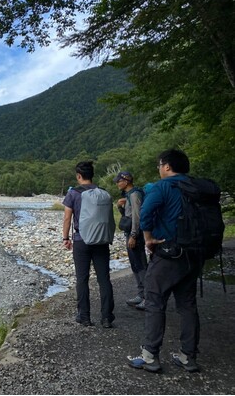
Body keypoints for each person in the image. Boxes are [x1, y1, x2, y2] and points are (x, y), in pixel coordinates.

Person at [127, 149, 202, 373]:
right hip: (195, 254)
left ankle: (149, 355)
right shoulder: (196, 187)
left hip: (169, 253)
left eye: (159, 165)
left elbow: (145, 215)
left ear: (167, 166)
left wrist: (149, 240)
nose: (159, 169)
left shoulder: (163, 187)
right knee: (187, 304)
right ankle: (188, 356)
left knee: (154, 299)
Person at [62, 161, 115, 328]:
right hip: (101, 241)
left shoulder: (73, 194)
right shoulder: (103, 193)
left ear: (79, 176)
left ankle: (84, 316)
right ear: (92, 175)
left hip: (81, 241)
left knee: (82, 279)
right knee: (104, 279)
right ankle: (106, 317)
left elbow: (67, 218)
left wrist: (65, 238)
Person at [114, 171, 147, 310]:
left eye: (119, 181)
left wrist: (133, 235)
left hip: (135, 236)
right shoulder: (128, 195)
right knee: (135, 264)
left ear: (126, 181)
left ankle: (147, 297)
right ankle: (141, 294)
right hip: (130, 233)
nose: (117, 184)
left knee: (140, 265)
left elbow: (136, 217)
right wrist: (120, 207)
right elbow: (127, 215)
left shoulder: (134, 195)